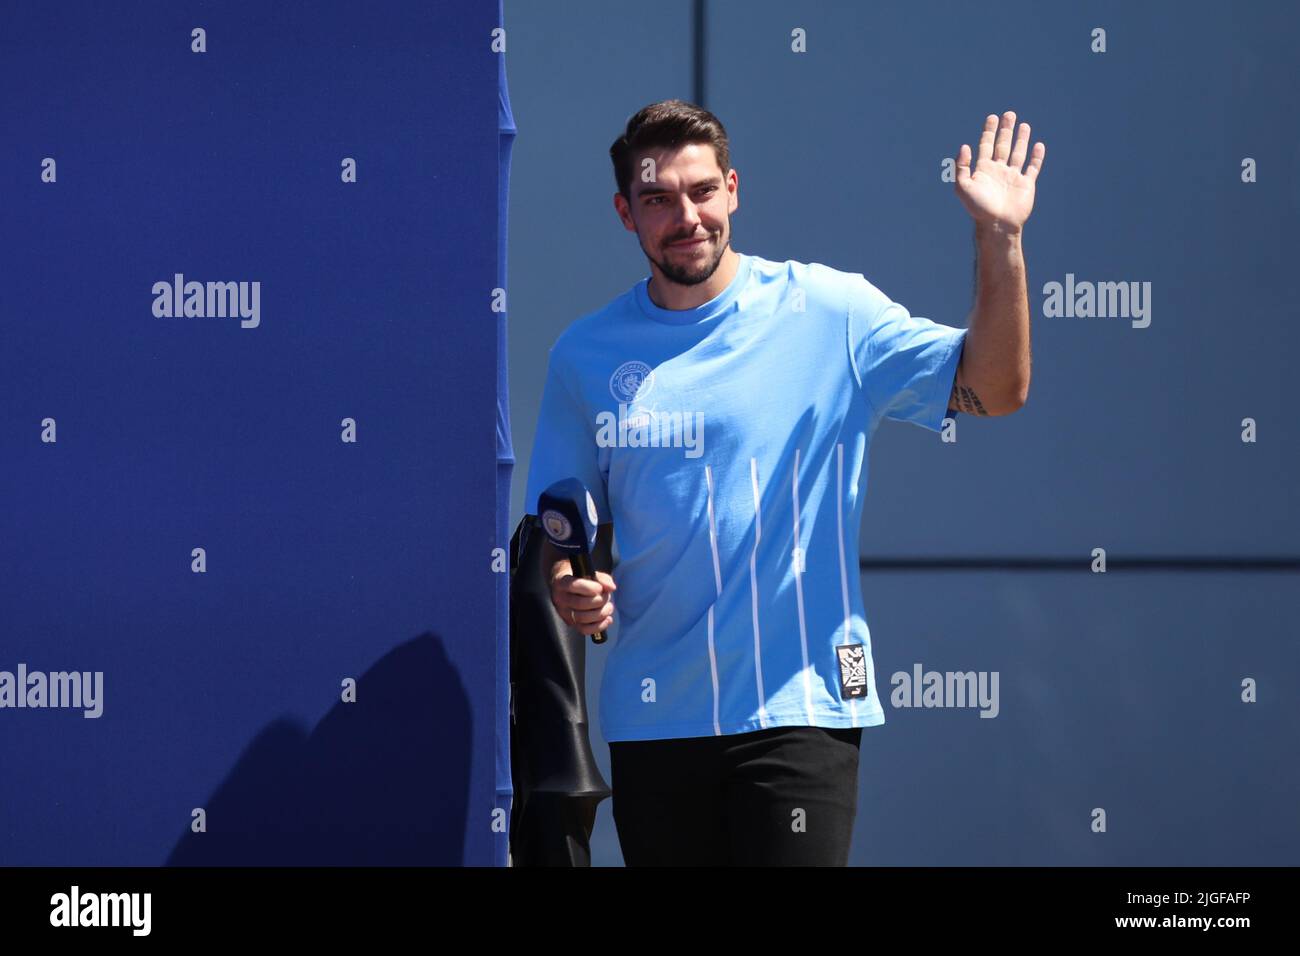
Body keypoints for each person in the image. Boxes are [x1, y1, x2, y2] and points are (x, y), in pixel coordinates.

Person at [523, 99, 1042, 866]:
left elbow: (997, 388)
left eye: (702, 191)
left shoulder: (831, 312)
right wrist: (574, 585)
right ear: (625, 213)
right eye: (658, 199)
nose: (686, 216)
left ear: (733, 188)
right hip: (654, 719)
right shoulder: (584, 355)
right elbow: (560, 526)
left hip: (800, 712)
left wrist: (999, 237)